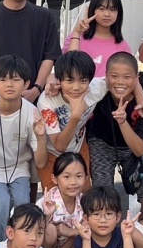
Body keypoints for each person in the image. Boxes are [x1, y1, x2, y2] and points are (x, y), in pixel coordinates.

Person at [0, 55, 48, 244]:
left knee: (22, 202)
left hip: (19, 167)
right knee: (1, 201)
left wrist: (40, 137)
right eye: (3, 79)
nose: (9, 84)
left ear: (26, 84)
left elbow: (40, 163)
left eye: (16, 79)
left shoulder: (31, 111)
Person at [86, 52, 143, 199]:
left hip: (132, 146)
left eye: (127, 77)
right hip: (102, 143)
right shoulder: (99, 92)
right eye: (114, 76)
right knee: (103, 193)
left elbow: (140, 150)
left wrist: (123, 121)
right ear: (106, 76)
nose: (120, 82)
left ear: (136, 79)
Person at [37, 51, 106, 187]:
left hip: (79, 148)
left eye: (83, 80)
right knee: (55, 196)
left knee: (84, 194)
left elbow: (125, 78)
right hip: (53, 154)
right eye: (69, 80)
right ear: (59, 80)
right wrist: (75, 116)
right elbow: (59, 146)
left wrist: (141, 100)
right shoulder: (47, 102)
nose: (76, 87)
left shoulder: (96, 88)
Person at [37, 152, 86, 248]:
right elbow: (33, 233)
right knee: (51, 230)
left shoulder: (85, 202)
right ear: (54, 178)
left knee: (86, 231)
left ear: (86, 177)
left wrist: (70, 232)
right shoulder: (46, 202)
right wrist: (48, 216)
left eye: (79, 176)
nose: (73, 182)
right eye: (66, 176)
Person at [63, 0, 133, 78]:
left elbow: (130, 77)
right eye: (101, 8)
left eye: (112, 9)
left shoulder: (123, 46)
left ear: (118, 13)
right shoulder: (76, 37)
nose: (107, 14)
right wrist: (76, 33)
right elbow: (67, 67)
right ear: (92, 10)